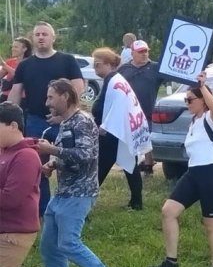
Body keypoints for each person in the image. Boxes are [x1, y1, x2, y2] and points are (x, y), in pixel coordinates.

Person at [38, 79, 126, 267]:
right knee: (48, 246)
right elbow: (70, 153)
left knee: (68, 242)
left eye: (50, 97)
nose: (47, 102)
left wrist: (52, 150)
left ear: (65, 96)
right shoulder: (66, 122)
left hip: (80, 193)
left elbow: (86, 155)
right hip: (63, 193)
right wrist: (53, 164)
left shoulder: (83, 122)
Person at [148, 72, 213, 267]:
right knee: (168, 211)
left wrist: (202, 86)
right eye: (185, 99)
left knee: (211, 223)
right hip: (194, 172)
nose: (187, 103)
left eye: (190, 100)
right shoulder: (194, 122)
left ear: (203, 100)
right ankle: (171, 262)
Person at [8, 22, 84, 216]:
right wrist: (7, 117)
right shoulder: (25, 65)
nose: (41, 37)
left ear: (53, 37)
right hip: (35, 121)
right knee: (37, 167)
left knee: (70, 165)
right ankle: (42, 210)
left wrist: (63, 114)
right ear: (33, 38)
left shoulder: (67, 60)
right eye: (37, 34)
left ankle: (74, 208)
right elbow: (15, 93)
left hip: (65, 121)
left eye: (45, 34)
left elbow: (77, 89)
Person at [0, 102, 46, 267]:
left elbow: (11, 199)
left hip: (16, 232)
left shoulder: (27, 156)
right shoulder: (5, 152)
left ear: (13, 126)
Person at [90, 48, 144, 210]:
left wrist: (105, 127)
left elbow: (118, 106)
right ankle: (136, 202)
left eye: (97, 65)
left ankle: (84, 204)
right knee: (130, 166)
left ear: (107, 64)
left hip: (112, 133)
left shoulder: (113, 81)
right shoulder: (116, 79)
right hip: (118, 131)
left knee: (99, 169)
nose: (95, 69)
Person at [117, 40, 163, 175]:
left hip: (147, 111)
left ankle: (149, 165)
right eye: (140, 52)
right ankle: (130, 165)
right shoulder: (124, 69)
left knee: (146, 139)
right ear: (132, 53)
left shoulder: (155, 68)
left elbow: (173, 76)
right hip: (129, 112)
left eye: (146, 51)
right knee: (129, 139)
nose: (144, 54)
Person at [0, 37, 31, 103]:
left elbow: (19, 76)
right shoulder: (9, 62)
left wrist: (4, 64)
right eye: (12, 47)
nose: (13, 49)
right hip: (5, 97)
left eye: (16, 47)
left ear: (24, 49)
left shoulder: (29, 63)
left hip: (22, 99)